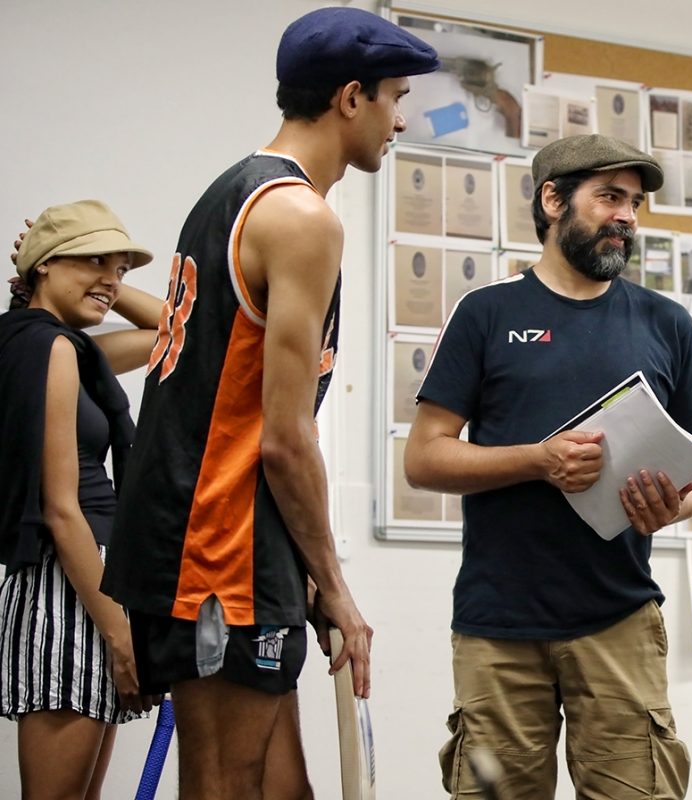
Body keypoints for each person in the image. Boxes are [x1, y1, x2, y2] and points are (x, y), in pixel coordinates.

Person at [97, 9, 439, 800]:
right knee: (223, 787)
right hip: (218, 551)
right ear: (351, 98)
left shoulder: (235, 192)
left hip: (234, 544)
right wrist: (340, 587)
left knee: (285, 791)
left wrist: (307, 574)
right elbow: (285, 438)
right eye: (395, 96)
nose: (402, 117)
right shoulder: (299, 218)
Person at [405, 133, 692, 800]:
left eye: (634, 202)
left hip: (621, 619)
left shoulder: (667, 324)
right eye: (609, 197)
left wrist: (677, 503)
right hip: (499, 625)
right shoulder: (486, 315)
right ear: (553, 200)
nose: (628, 216)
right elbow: (425, 456)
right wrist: (539, 460)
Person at [1, 199, 163, 798]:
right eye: (94, 260)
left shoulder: (68, 350)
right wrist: (121, 638)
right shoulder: (48, 349)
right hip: (70, 591)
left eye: (120, 268)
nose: (113, 278)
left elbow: (179, 332)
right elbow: (60, 507)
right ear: (43, 266)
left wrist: (103, 285)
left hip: (90, 587)